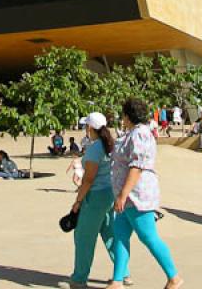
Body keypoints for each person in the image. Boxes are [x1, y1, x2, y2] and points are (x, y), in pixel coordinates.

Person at [106, 98, 181, 289]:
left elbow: (136, 166)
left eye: (123, 114)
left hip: (137, 196)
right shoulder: (131, 133)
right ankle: (117, 280)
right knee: (120, 236)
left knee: (148, 236)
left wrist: (123, 194)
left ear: (127, 115)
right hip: (126, 197)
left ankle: (174, 277)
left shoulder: (140, 133)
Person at [60, 113, 132, 289]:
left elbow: (89, 179)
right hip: (110, 194)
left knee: (84, 237)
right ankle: (123, 273)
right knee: (110, 234)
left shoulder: (94, 148)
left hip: (96, 196)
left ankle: (79, 278)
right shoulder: (111, 144)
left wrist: (78, 201)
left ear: (90, 128)